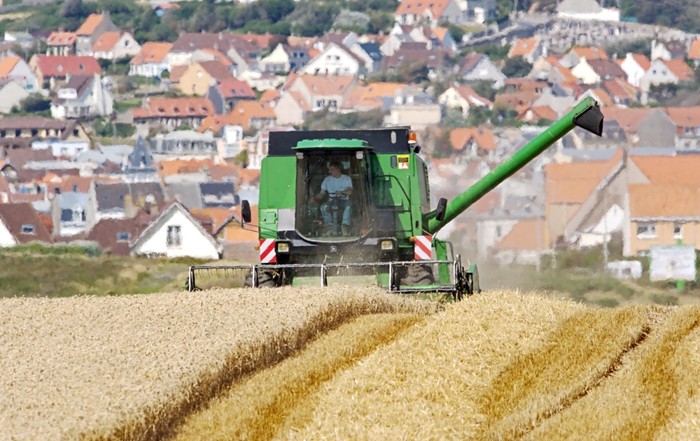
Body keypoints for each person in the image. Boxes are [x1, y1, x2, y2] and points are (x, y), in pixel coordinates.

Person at [311, 161, 352, 235]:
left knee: (348, 207)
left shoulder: (347, 179)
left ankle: (345, 226)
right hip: (332, 200)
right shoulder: (327, 180)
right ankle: (329, 226)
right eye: (329, 169)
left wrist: (342, 192)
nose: (329, 171)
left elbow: (349, 192)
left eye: (331, 169)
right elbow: (322, 193)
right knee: (324, 207)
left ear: (337, 169)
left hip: (343, 200)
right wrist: (315, 198)